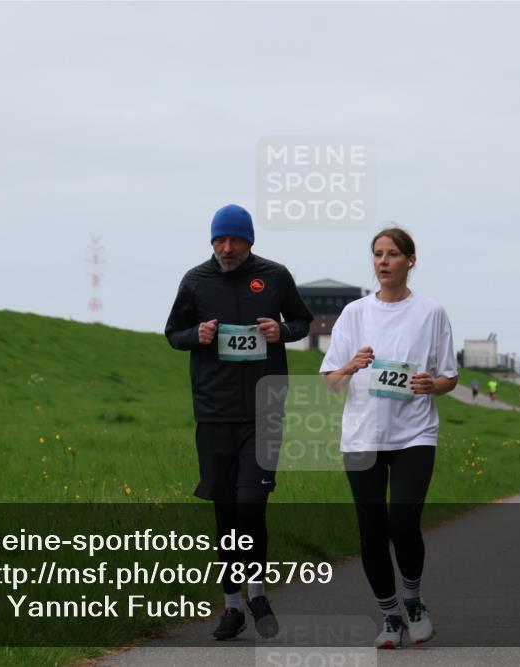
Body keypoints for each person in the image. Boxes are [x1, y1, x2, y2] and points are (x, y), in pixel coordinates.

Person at [165, 204, 313, 640]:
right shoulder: (195, 281)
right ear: (212, 241)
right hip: (214, 412)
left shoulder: (275, 276)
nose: (227, 248)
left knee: (251, 503)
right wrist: (196, 336)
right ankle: (232, 607)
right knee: (225, 511)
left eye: (235, 240)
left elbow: (302, 321)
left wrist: (282, 331)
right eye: (220, 240)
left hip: (264, 409)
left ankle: (258, 593)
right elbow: (173, 333)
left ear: (249, 241)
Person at [320, 228, 457, 649]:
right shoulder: (354, 313)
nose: (383, 261)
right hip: (363, 436)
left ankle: (413, 602)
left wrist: (431, 385)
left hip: (414, 433)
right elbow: (331, 382)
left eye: (392, 254)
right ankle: (389, 615)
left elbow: (449, 377)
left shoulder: (431, 312)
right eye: (377, 254)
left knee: (403, 522)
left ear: (410, 260)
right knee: (372, 531)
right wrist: (350, 366)